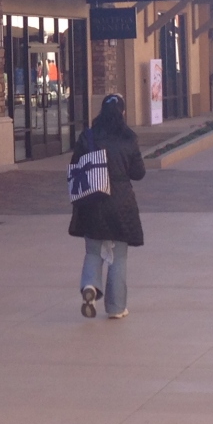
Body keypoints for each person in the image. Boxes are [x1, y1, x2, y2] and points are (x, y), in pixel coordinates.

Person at [70, 93, 145, 320]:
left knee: (93, 251)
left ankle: (90, 286)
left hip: (92, 200)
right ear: (123, 113)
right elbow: (138, 173)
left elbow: (75, 165)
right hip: (121, 202)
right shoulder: (128, 138)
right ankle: (116, 308)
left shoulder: (88, 136)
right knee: (119, 257)